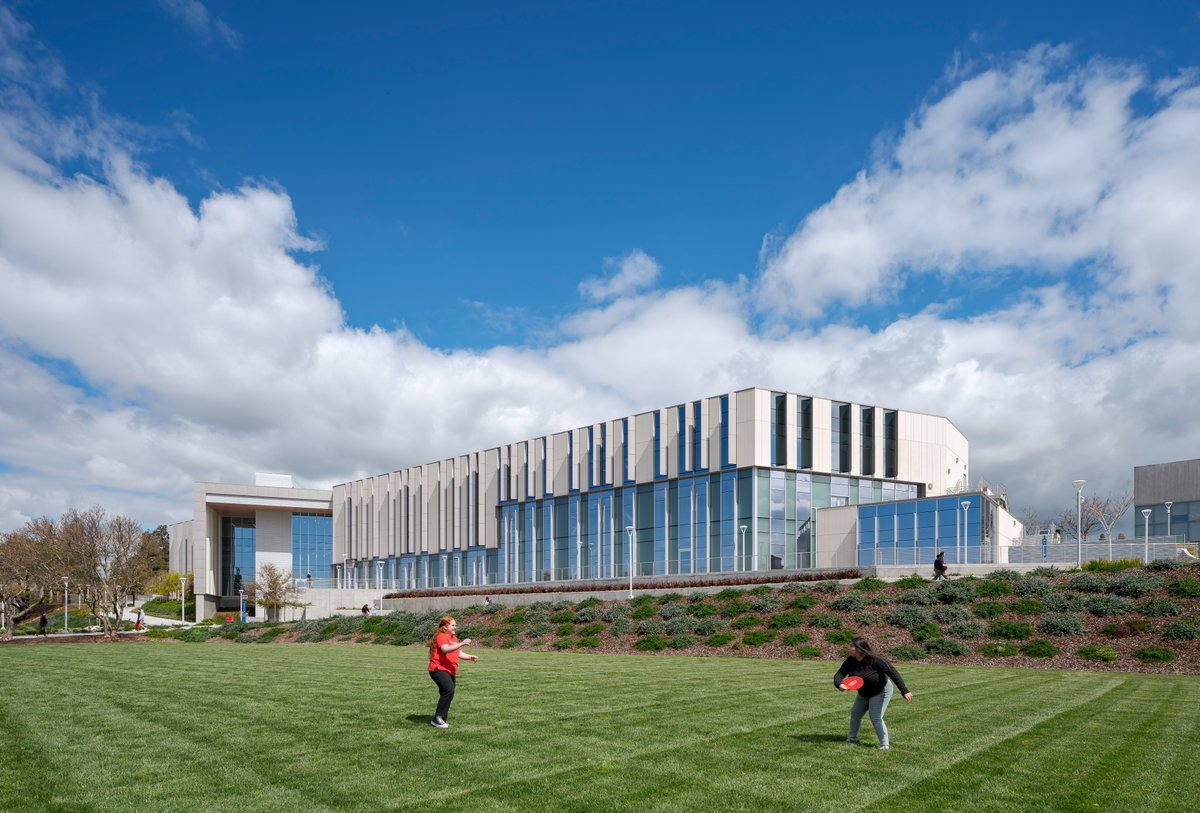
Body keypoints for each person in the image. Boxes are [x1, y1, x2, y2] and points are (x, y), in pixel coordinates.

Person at [834, 636, 913, 750]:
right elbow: (839, 675)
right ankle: (852, 739)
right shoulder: (850, 661)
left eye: (852, 646)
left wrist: (904, 691)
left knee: (875, 717)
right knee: (855, 715)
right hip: (863, 692)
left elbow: (893, 673)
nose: (849, 648)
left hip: (881, 691)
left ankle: (884, 745)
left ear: (860, 649)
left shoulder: (876, 659)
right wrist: (839, 684)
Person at [428, 616, 478, 729]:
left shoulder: (453, 638)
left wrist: (470, 657)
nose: (455, 627)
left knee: (448, 693)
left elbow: (458, 653)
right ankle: (438, 718)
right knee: (448, 690)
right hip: (438, 669)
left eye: (456, 625)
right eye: (453, 625)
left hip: (450, 670)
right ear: (445, 627)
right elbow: (445, 649)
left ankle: (441, 718)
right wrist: (462, 643)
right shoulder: (441, 636)